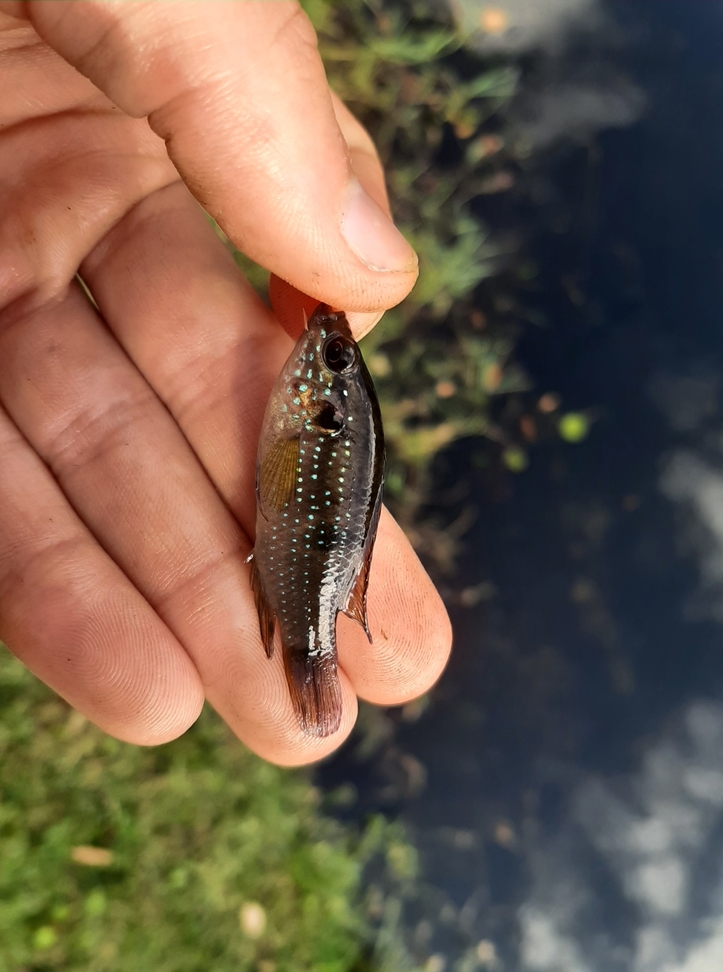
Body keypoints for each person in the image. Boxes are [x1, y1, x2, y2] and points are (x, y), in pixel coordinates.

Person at [0, 1, 452, 766]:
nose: (328, 349)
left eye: (335, 363)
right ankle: (305, 653)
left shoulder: (314, 413)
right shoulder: (309, 404)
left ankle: (304, 653)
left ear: (328, 409)